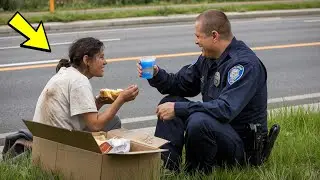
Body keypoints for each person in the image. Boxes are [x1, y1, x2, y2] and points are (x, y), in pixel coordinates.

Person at [137, 10, 268, 174]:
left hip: (243, 148)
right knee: (169, 102)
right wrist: (157, 74)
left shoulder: (244, 65)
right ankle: (167, 170)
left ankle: (195, 174)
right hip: (219, 132)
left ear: (214, 36)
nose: (196, 41)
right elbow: (181, 84)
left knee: (198, 120)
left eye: (198, 36)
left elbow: (225, 109)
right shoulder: (208, 58)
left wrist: (179, 109)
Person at [33, 37, 139, 132]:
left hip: (44, 139)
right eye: (101, 57)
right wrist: (121, 99)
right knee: (114, 121)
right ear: (86, 60)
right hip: (62, 144)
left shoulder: (65, 72)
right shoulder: (79, 81)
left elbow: (80, 114)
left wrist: (99, 102)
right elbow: (95, 125)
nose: (105, 62)